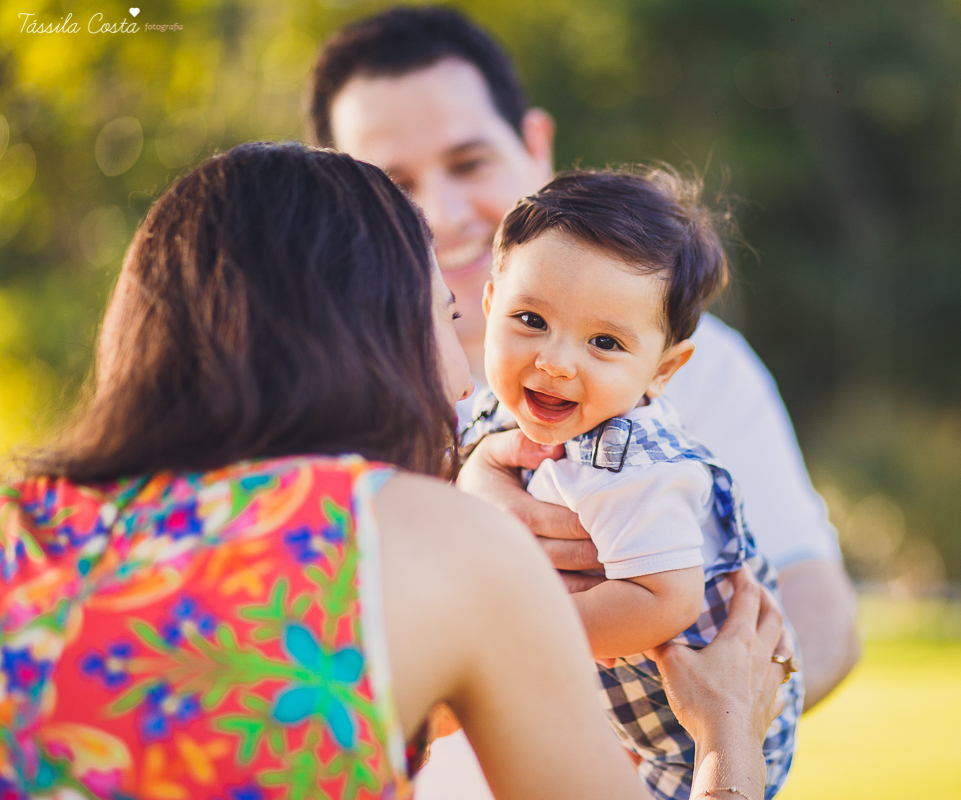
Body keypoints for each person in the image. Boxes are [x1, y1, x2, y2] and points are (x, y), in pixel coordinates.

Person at [307, 6, 859, 793]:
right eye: (394, 185)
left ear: (534, 143)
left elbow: (818, 603)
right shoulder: (305, 395)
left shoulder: (693, 380)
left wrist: (715, 710)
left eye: (468, 162)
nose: (440, 213)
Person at [462, 167, 804, 800]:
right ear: (490, 307)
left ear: (663, 369)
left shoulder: (632, 466)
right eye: (530, 320)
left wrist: (521, 624)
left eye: (603, 341)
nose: (555, 361)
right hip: (621, 719)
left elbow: (663, 601)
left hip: (687, 742)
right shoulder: (498, 410)